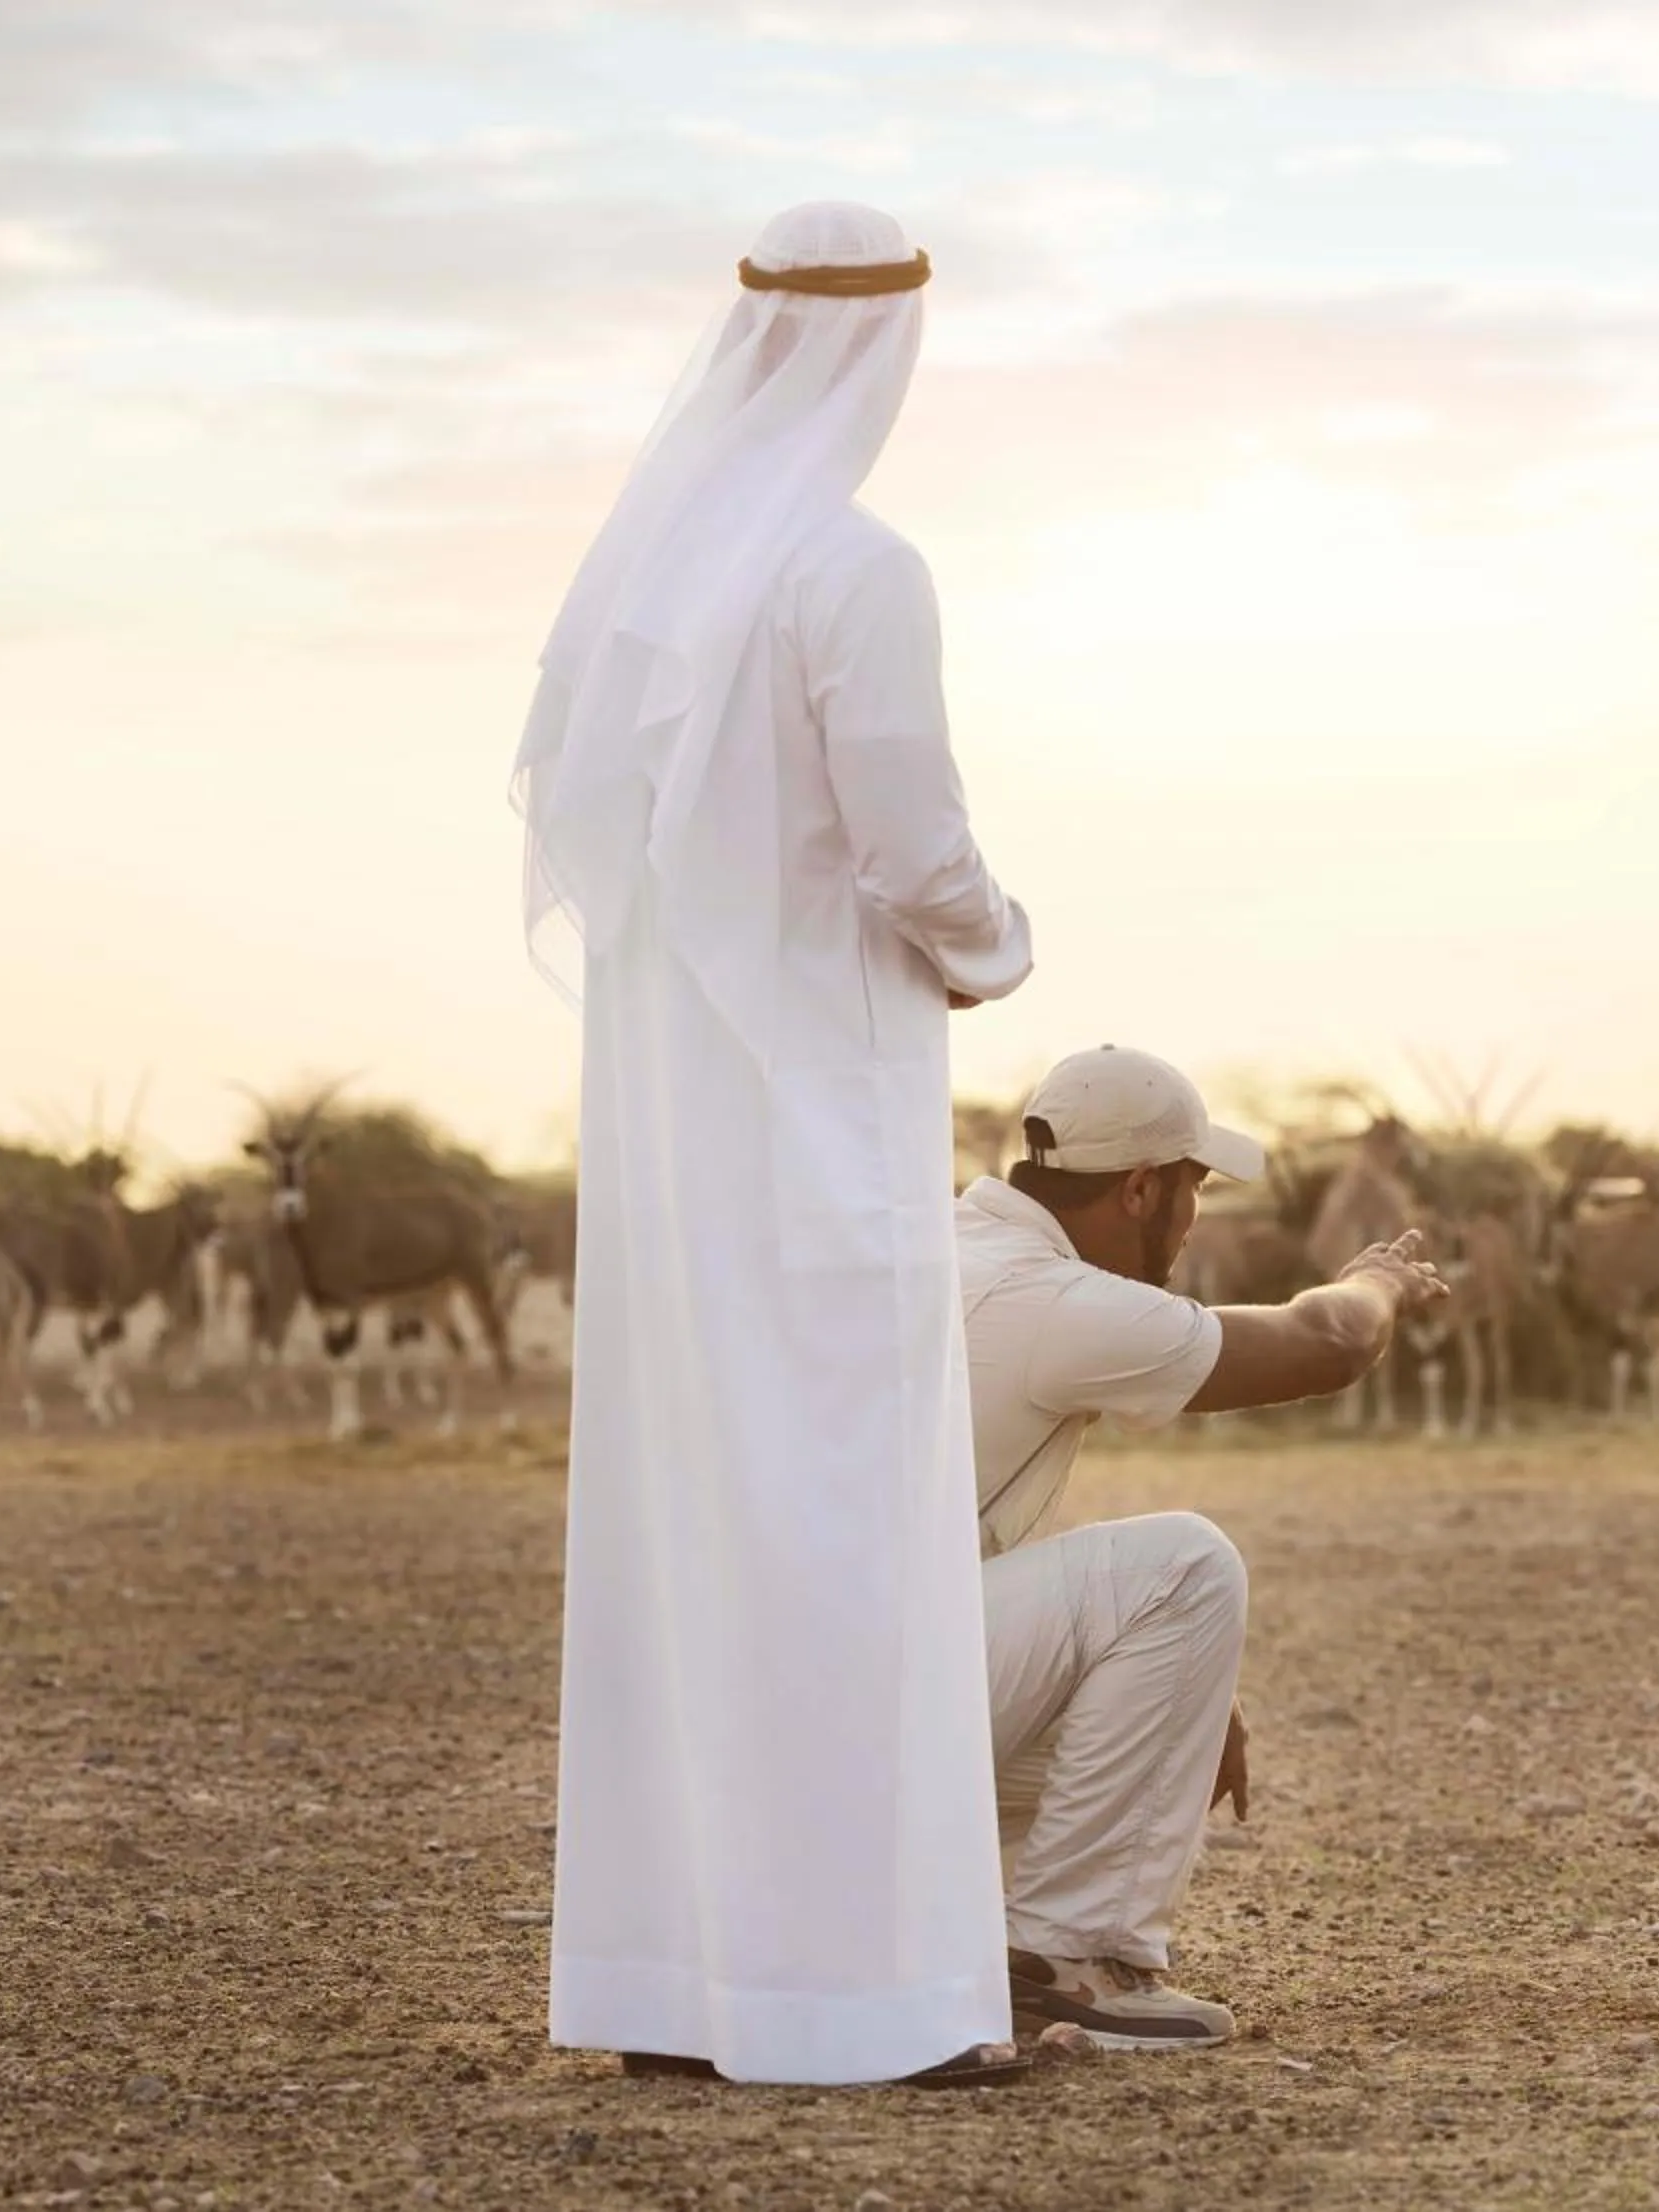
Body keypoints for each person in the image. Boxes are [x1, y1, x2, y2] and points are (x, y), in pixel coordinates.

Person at [515, 202, 1033, 2086]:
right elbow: (916, 852)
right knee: (841, 1545)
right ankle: (867, 2003)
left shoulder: (654, 579)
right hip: (820, 1132)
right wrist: (1004, 947)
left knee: (694, 1537)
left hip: (672, 1164)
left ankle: (679, 1988)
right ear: (888, 350)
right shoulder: (854, 568)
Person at [956, 1047, 1450, 2050]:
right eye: (1194, 1190)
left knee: (1155, 1728)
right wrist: (1378, 1281)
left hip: (791, 1730)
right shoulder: (1051, 1298)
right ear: (1141, 1189)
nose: (1194, 1221)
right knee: (1187, 1563)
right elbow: (1328, 1343)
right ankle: (1068, 1959)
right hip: (866, 1711)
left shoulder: (944, 1245)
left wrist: (1180, 1695)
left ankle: (950, 1933)